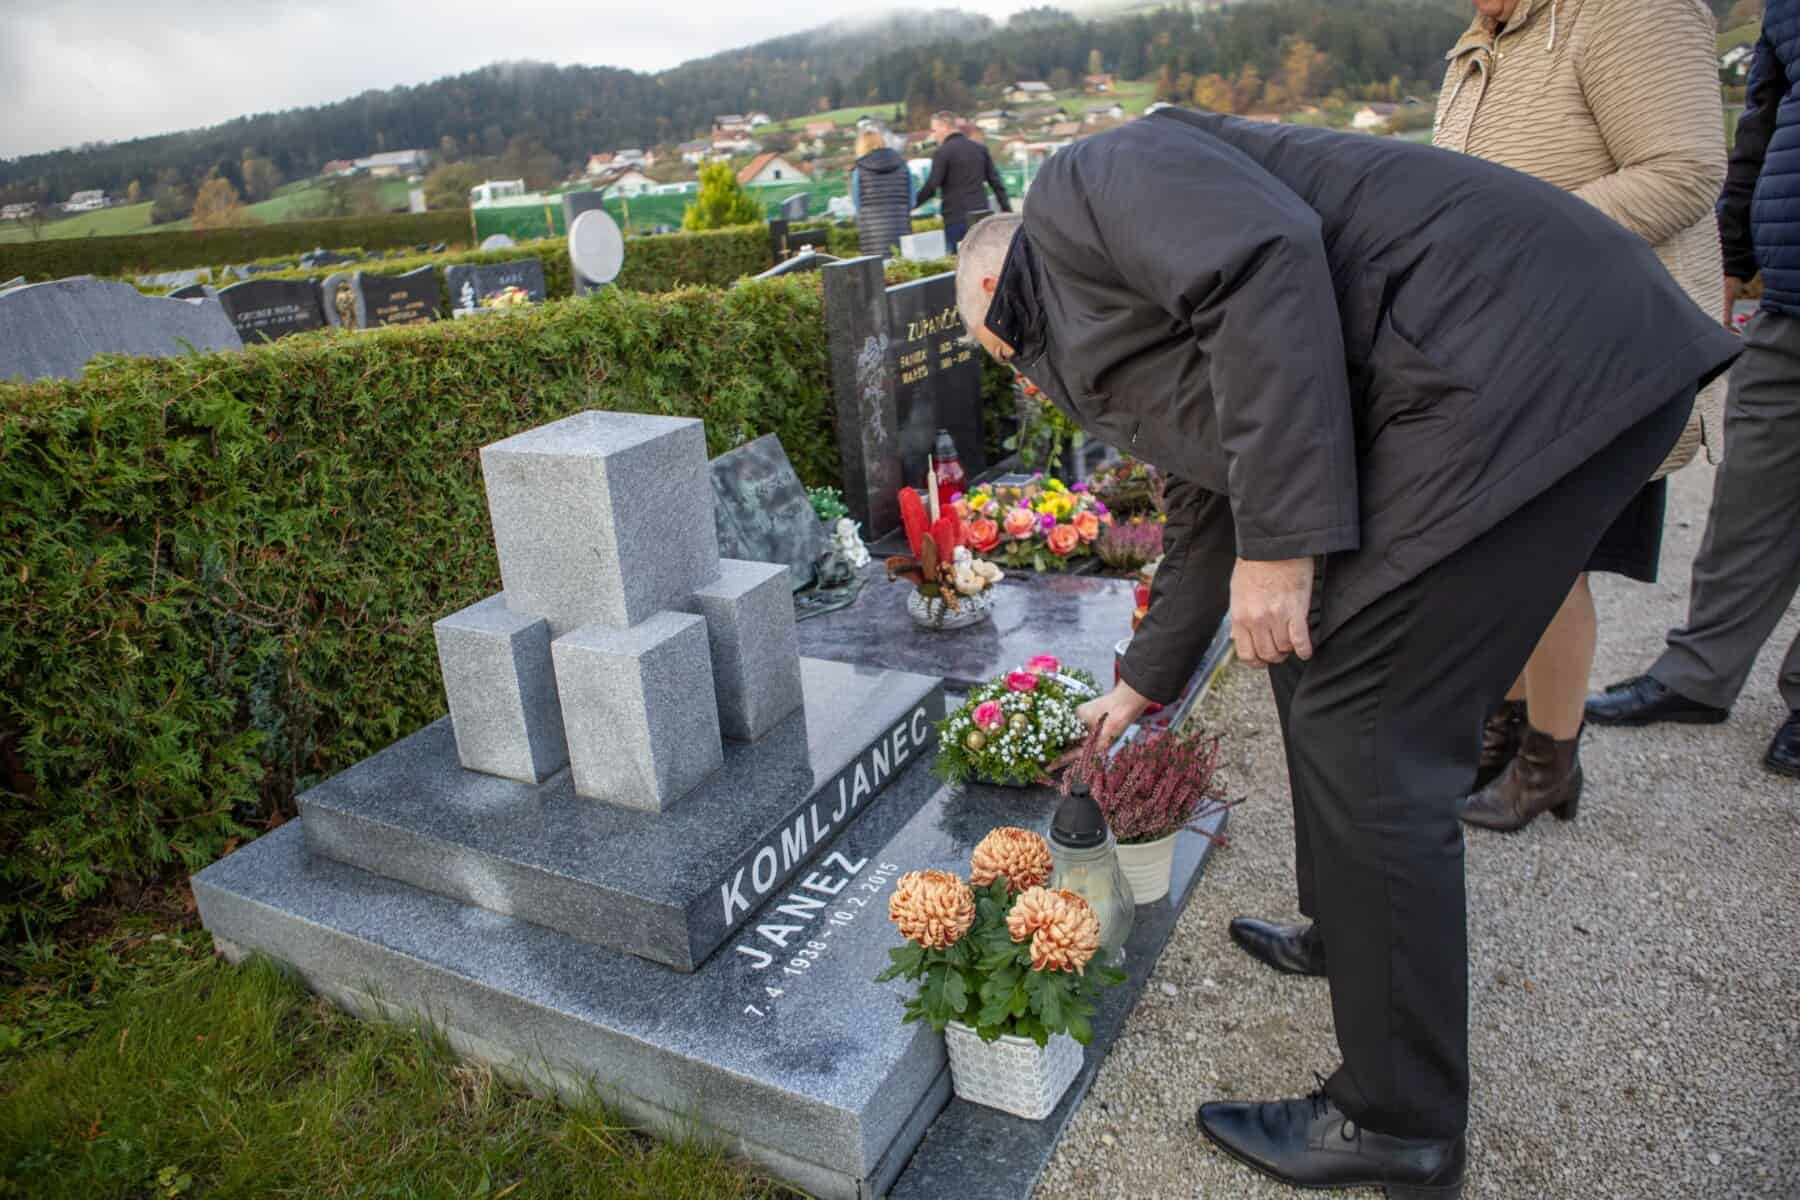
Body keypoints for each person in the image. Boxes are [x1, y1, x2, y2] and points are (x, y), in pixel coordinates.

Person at [955, 110, 1736, 1196]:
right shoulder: (1109, 306)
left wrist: (1282, 547)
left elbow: (1263, 256)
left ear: (994, 288)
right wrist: (1141, 682)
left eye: (1007, 353)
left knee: (1368, 727)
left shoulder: (1090, 181)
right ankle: (1349, 932)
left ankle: (1396, 1119)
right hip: (1499, 365)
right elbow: (1209, 489)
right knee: (1306, 654)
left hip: (1513, 355)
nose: (1026, 379)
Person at [1431, 0, 1728, 831]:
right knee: (1498, 556)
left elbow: (1683, 169)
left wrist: (1519, 240)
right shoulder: (1481, 40)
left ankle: (1549, 761)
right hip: (1515, 350)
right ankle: (1503, 730)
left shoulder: (1632, 9)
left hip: (1602, 349)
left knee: (1548, 563)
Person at [1585, 0, 1800, 779]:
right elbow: (1760, 126)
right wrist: (1734, 254)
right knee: (1751, 499)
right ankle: (1699, 673)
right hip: (1789, 291)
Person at [913, 110, 1011, 252]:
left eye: (935, 130)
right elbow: (996, 183)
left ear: (944, 127)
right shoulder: (979, 149)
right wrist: (1007, 210)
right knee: (982, 258)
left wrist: (912, 204)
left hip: (956, 217)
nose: (934, 135)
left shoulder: (943, 152)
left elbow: (932, 186)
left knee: (960, 260)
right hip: (981, 216)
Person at [849, 128, 915, 259]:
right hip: (902, 229)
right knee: (903, 266)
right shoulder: (903, 166)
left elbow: (857, 205)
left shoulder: (859, 171)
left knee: (876, 269)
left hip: (871, 236)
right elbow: (912, 201)